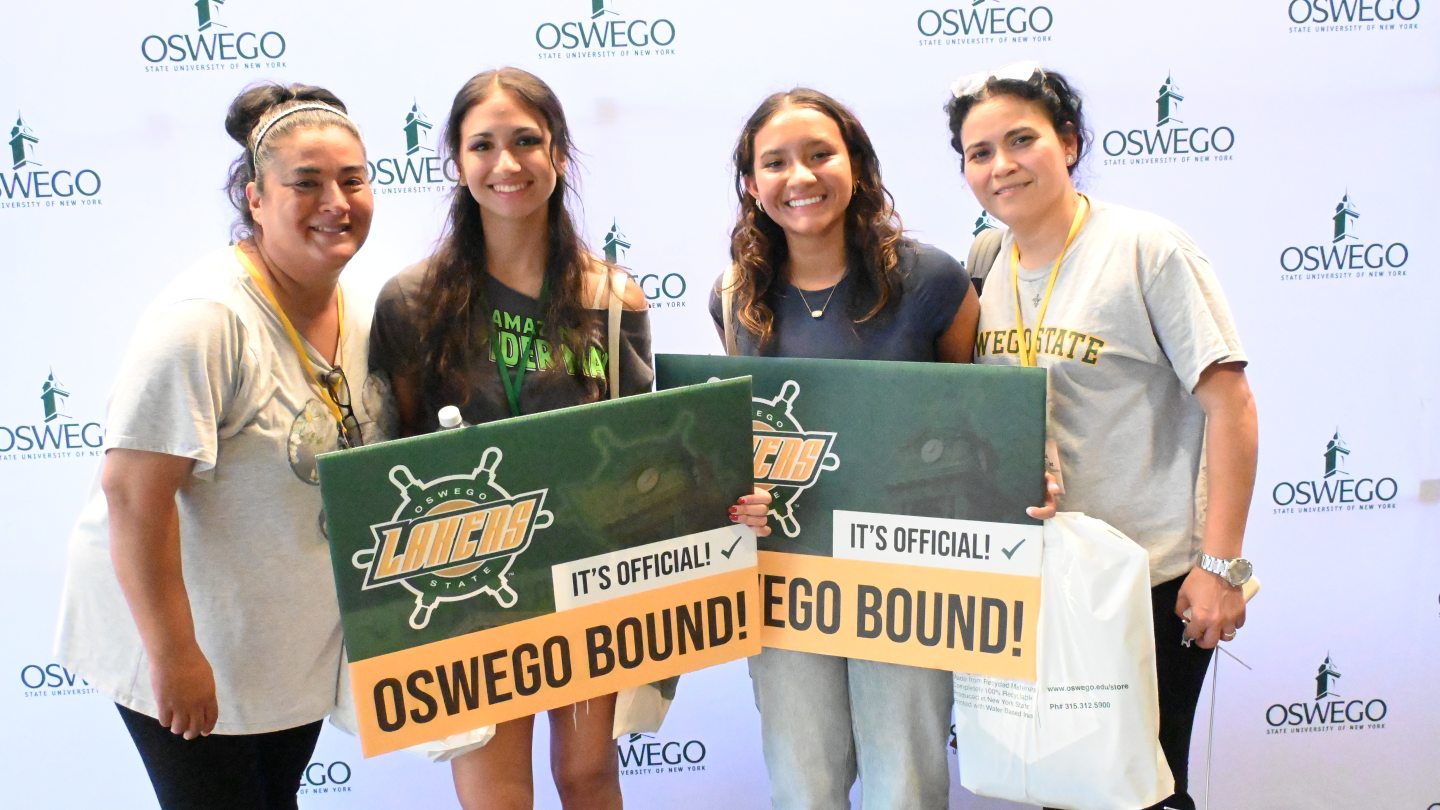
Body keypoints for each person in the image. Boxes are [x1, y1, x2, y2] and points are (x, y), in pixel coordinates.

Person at [368, 66, 771, 810]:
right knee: (495, 793)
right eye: (482, 145)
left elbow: (642, 437)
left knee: (588, 779)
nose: (507, 164)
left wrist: (719, 495)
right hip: (470, 585)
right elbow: (390, 454)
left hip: (587, 577)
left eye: (527, 140)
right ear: (457, 163)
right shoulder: (412, 302)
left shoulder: (609, 297)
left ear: (558, 153)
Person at [54, 82, 378, 809]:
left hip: (279, 642)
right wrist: (173, 657)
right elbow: (133, 494)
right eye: (306, 183)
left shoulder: (359, 305)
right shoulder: (203, 319)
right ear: (255, 198)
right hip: (183, 636)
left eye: (353, 180)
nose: (337, 201)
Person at [944, 62, 1259, 810]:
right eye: (979, 152)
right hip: (1041, 580)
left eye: (1022, 140)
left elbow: (1232, 406)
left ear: (1071, 143)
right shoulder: (986, 263)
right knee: (1068, 786)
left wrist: (1221, 567)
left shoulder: (1147, 249)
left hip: (1148, 580)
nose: (1001, 165)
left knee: (1143, 789)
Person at [713, 87, 988, 810]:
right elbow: (745, 435)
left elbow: (972, 416)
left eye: (819, 154)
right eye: (774, 162)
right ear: (751, 183)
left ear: (857, 166)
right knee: (803, 782)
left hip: (907, 571)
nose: (799, 177)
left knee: (906, 783)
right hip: (785, 576)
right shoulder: (734, 294)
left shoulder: (930, 279)